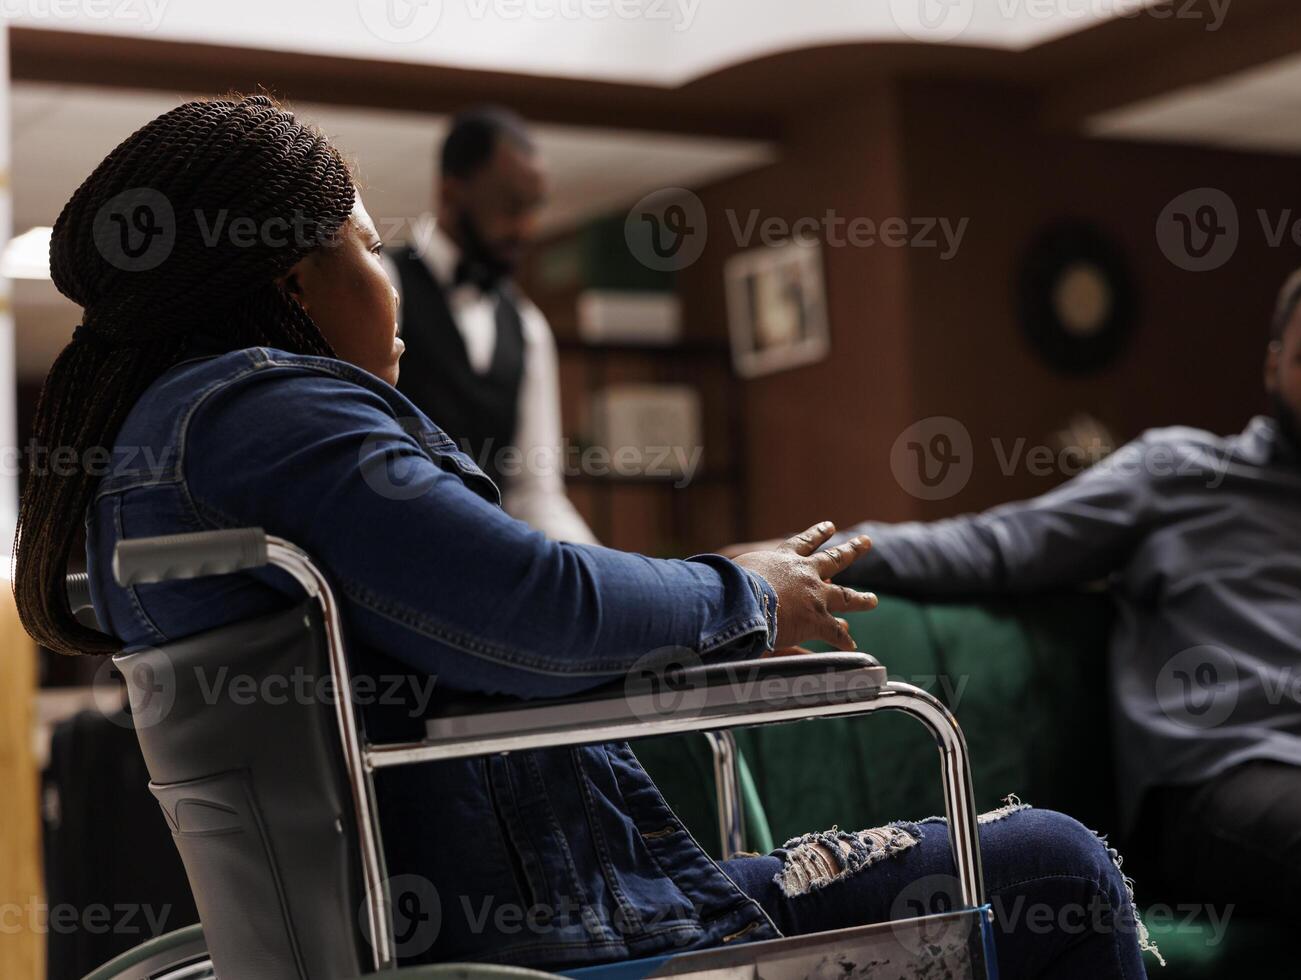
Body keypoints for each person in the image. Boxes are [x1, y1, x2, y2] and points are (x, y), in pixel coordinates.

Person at [14, 95, 1151, 978]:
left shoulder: (170, 439)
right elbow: (535, 607)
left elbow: (502, 581)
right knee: (1053, 861)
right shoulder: (275, 415)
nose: (392, 282)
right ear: (297, 280)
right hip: (547, 935)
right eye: (370, 247)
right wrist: (742, 595)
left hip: (461, 918)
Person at [821, 250, 1301, 977]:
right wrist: (810, 556)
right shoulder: (1180, 471)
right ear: (1274, 363)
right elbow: (1000, 544)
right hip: (1223, 781)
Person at [386, 106, 595, 544]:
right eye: (510, 207)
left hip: (485, 564)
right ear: (451, 192)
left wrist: (607, 572)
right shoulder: (386, 285)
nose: (526, 228)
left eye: (534, 209)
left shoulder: (528, 324)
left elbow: (535, 493)